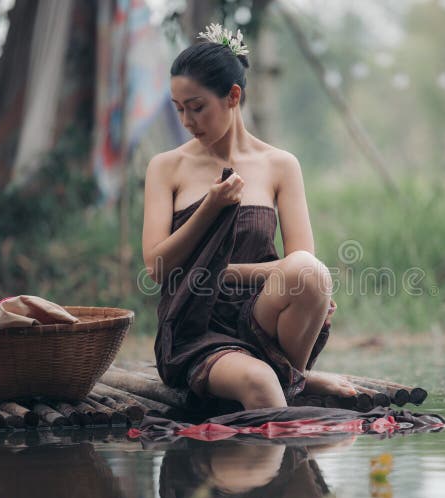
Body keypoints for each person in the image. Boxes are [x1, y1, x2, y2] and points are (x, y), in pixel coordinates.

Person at [142, 24, 356, 410]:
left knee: (311, 272)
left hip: (263, 318)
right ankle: (293, 382)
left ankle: (292, 376)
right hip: (195, 325)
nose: (187, 122)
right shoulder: (166, 167)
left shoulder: (280, 165)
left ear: (232, 96)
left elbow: (299, 265)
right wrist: (210, 207)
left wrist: (221, 272)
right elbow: (158, 268)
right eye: (179, 110)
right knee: (260, 385)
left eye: (197, 107)